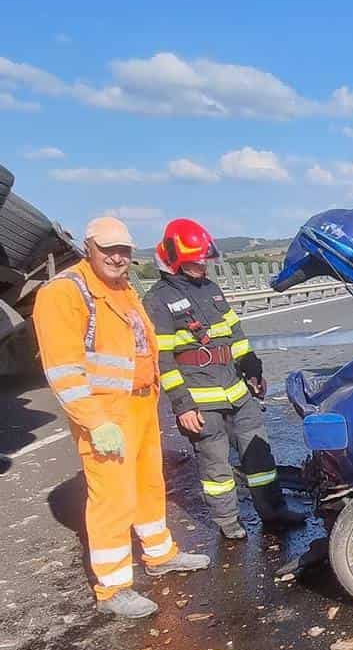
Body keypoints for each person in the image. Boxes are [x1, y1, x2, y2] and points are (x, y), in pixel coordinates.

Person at [32, 216, 210, 619]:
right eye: (109, 249)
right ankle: (112, 586)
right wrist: (95, 422)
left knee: (149, 483)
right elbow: (63, 369)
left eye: (124, 251)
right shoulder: (65, 292)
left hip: (141, 404)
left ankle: (160, 553)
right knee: (111, 496)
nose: (118, 257)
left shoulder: (123, 289)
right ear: (88, 247)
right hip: (106, 413)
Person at [142, 219, 306, 540]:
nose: (202, 266)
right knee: (216, 467)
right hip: (201, 400)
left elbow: (236, 335)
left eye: (204, 260)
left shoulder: (211, 290)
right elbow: (162, 360)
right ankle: (228, 521)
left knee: (260, 456)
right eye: (194, 262)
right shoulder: (158, 300)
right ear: (173, 260)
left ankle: (273, 511)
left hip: (237, 391)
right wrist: (182, 406)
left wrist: (252, 368)